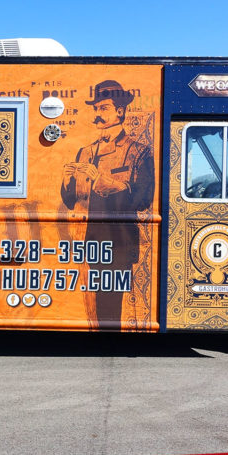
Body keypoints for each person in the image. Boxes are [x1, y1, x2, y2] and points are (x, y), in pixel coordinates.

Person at [61, 80, 154, 327]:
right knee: (88, 301)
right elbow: (71, 200)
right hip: (85, 239)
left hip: (117, 238)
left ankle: (108, 342)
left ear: (120, 111)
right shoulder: (85, 151)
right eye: (96, 109)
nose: (98, 115)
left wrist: (102, 180)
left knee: (110, 301)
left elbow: (143, 198)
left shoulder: (138, 152)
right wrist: (67, 179)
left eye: (104, 108)